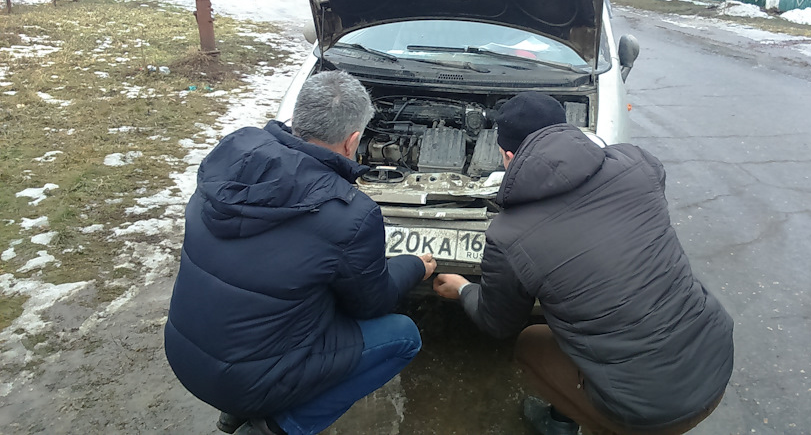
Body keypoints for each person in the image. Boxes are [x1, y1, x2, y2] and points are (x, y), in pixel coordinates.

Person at [433, 92, 734, 435]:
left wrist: (464, 289)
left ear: (508, 155)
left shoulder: (509, 235)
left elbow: (498, 323)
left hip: (651, 412)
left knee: (531, 342)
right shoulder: (638, 163)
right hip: (716, 361)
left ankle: (567, 424)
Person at [164, 70, 436, 435]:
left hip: (185, 355)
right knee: (403, 335)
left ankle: (235, 410)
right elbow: (371, 305)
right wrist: (414, 266)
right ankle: (272, 427)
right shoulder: (350, 215)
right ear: (353, 140)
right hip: (246, 380)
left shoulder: (231, 160)